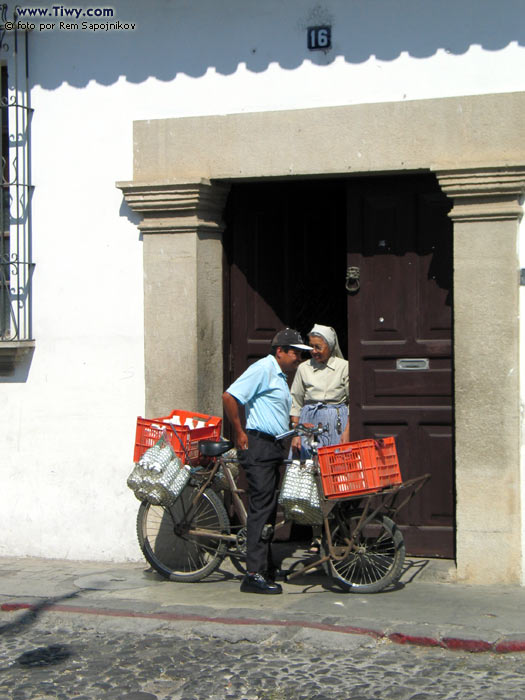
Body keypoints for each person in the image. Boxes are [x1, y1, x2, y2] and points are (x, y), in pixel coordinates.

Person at [222, 328, 312, 595]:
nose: (299, 358)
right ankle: (253, 574)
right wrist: (238, 432)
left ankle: (264, 566)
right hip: (258, 445)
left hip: (273, 446)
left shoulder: (281, 375)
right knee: (261, 509)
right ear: (280, 351)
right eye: (296, 353)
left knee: (269, 508)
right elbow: (230, 396)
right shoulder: (263, 368)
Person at [289, 323, 350, 551]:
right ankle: (315, 534)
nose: (314, 351)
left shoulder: (344, 367)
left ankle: (336, 532)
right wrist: (297, 433)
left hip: (335, 423)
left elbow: (353, 401)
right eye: (311, 347)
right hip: (309, 424)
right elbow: (296, 401)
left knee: (335, 478)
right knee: (311, 479)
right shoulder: (304, 369)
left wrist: (347, 430)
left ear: (330, 345)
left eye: (318, 346)